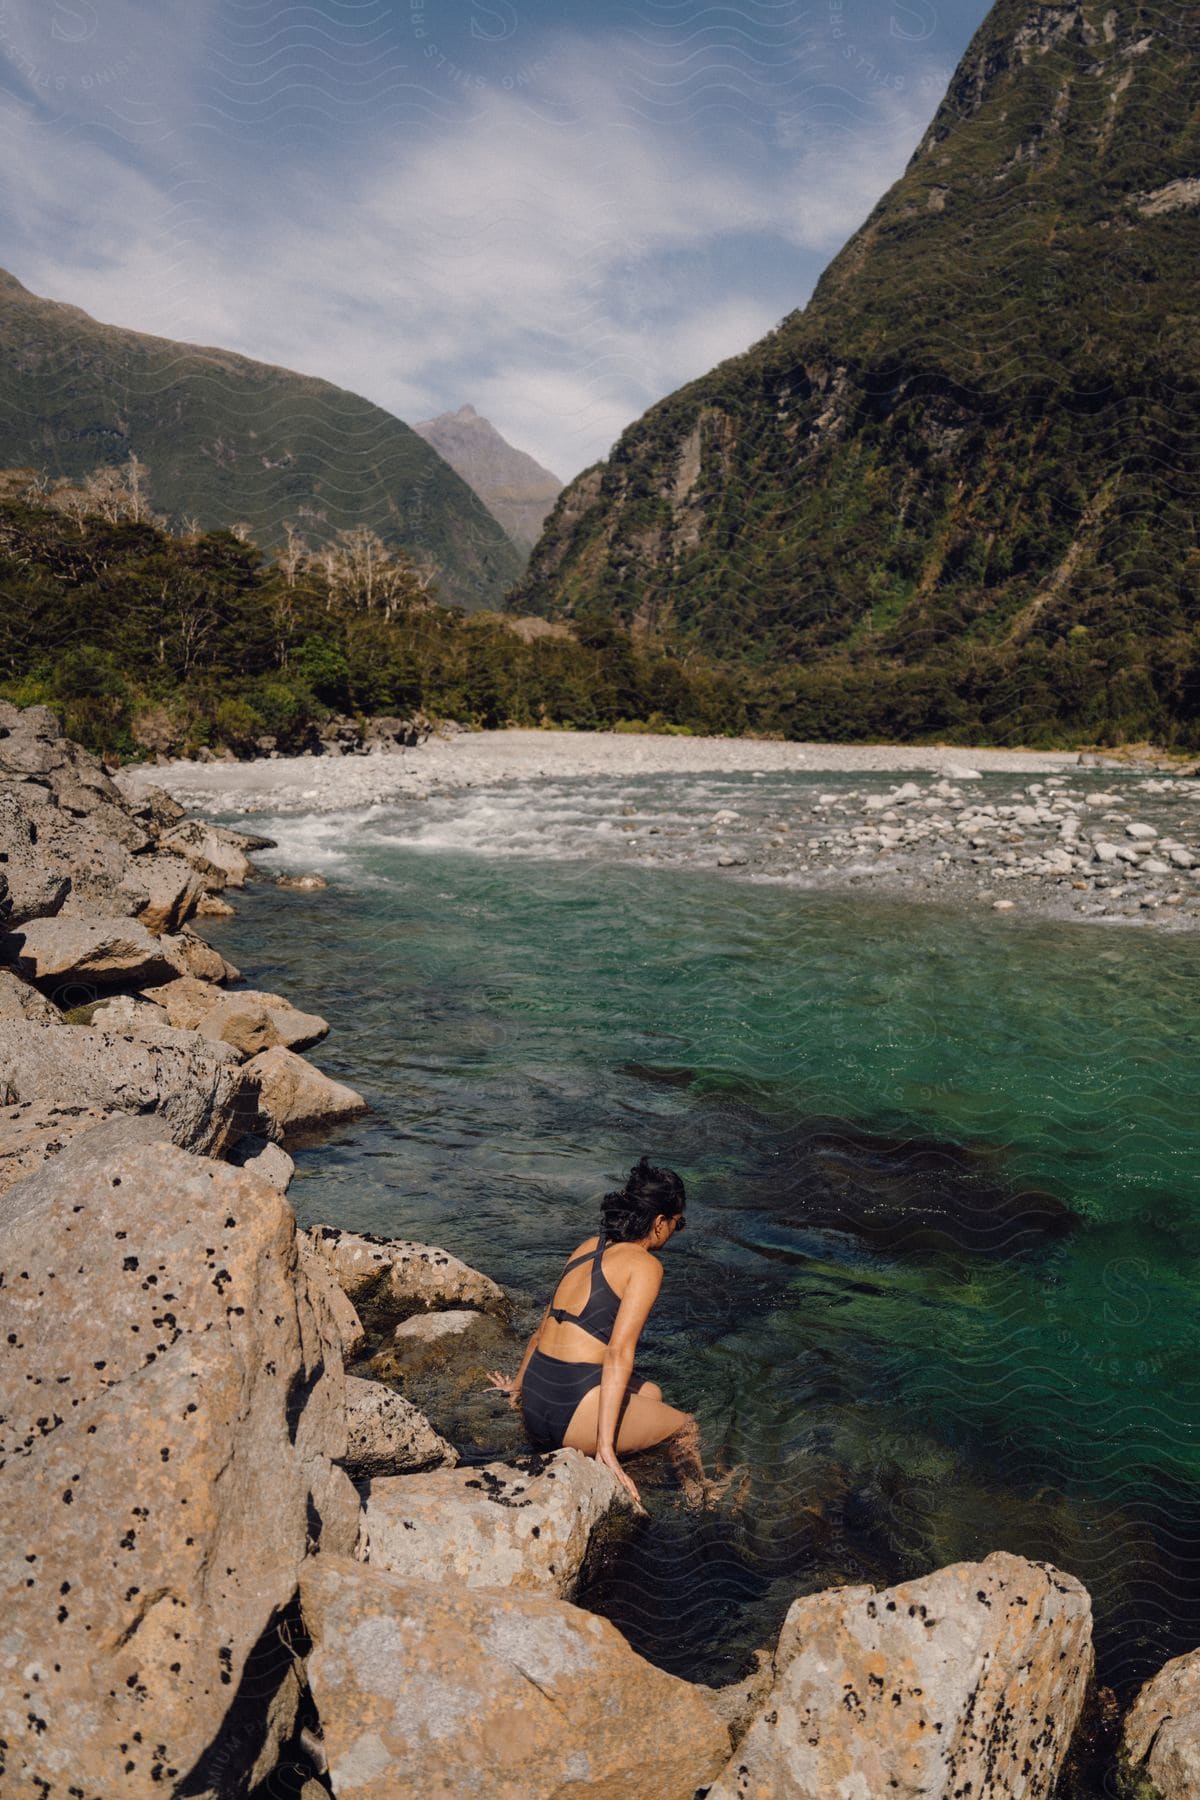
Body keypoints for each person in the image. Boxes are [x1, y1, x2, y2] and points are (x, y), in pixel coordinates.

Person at [484, 1156, 740, 1507]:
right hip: (569, 1415)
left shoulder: (588, 1247)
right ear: (660, 1222)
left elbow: (542, 1330)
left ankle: (618, 1448)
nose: (675, 1233)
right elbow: (619, 1352)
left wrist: (516, 1389)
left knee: (652, 1393)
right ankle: (701, 1495)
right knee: (685, 1427)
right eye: (678, 1224)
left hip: (536, 1403)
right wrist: (605, 1449)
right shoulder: (646, 1265)